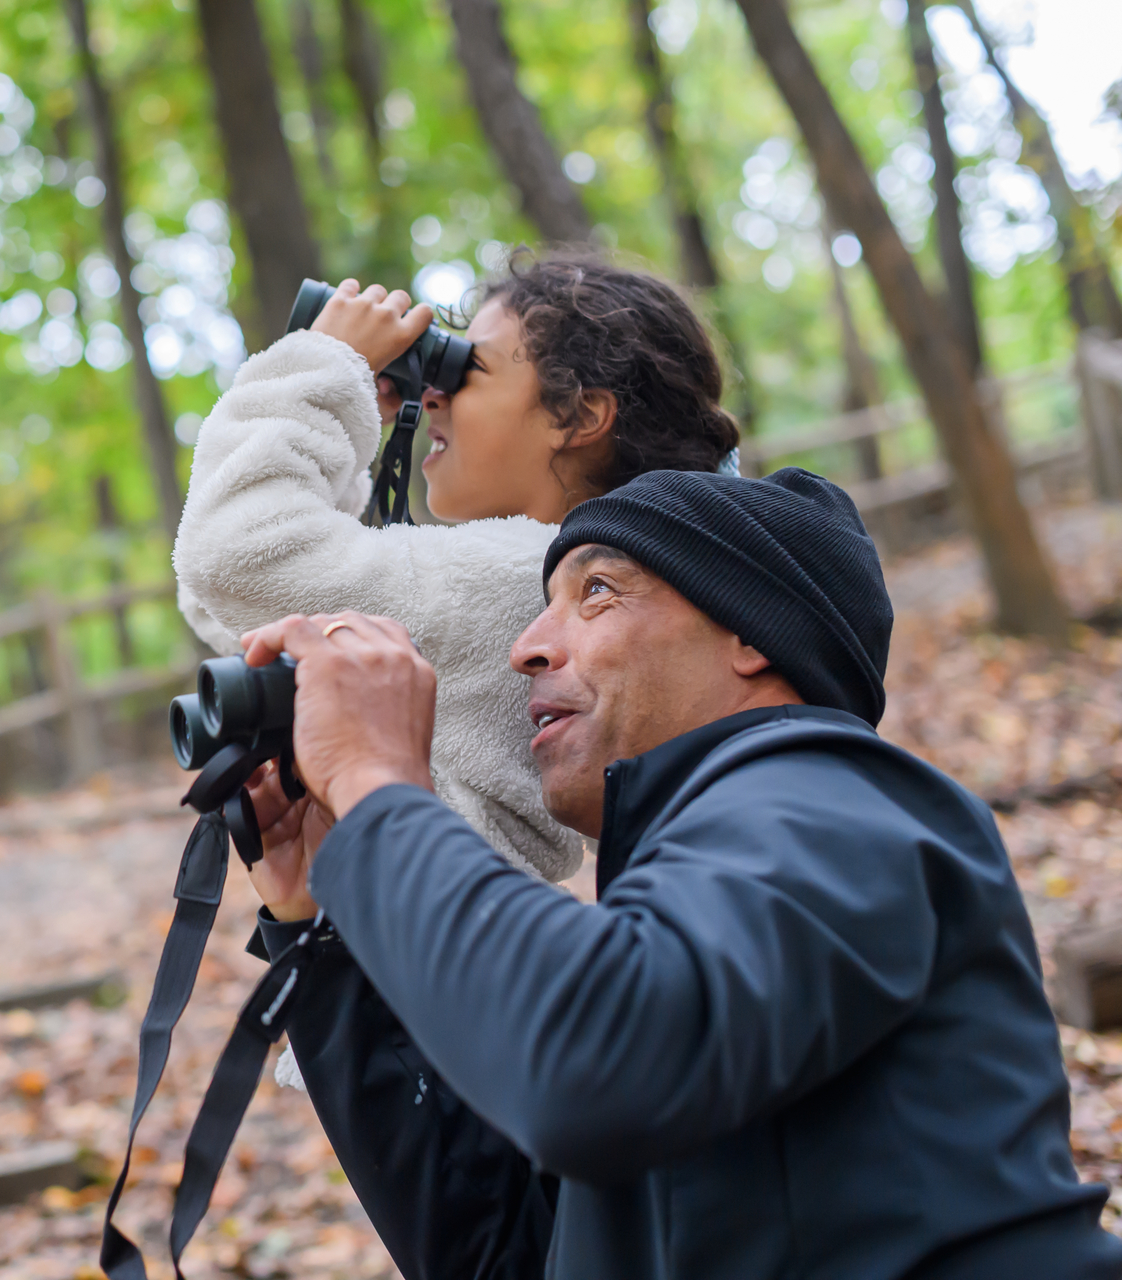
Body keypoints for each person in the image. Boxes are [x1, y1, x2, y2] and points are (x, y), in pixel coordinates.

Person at [236, 468, 1122, 1279]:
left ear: (749, 632)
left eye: (596, 592)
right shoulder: (695, 894)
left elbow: (592, 1060)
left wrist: (376, 784)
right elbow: (506, 1253)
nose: (528, 647)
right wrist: (323, 919)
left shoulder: (832, 796)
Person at [173, 254, 740, 886]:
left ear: (576, 417)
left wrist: (330, 370)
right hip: (451, 927)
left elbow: (234, 557)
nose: (432, 394)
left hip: (436, 931)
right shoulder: (590, 580)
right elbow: (234, 596)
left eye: (469, 371)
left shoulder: (520, 576)